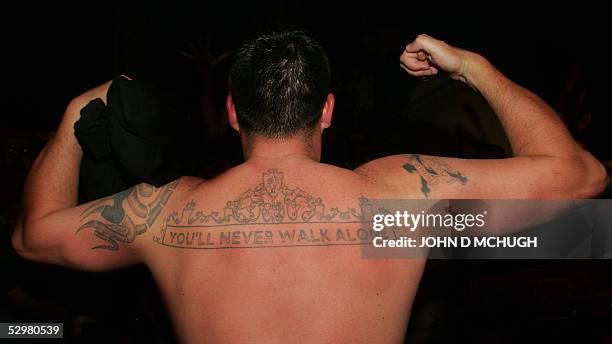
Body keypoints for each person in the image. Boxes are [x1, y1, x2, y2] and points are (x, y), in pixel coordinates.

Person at [11, 31, 606, 343]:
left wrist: (73, 115)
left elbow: (32, 238)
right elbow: (582, 178)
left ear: (235, 113)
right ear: (326, 111)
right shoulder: (393, 211)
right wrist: (471, 67)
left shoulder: (170, 216)